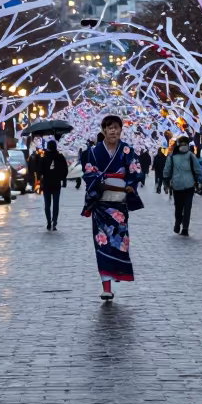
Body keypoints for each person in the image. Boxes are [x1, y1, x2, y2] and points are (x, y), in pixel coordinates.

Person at [81, 114, 144, 301]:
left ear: (121, 130)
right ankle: (106, 286)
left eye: (116, 127)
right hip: (101, 203)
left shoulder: (127, 150)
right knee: (102, 244)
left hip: (119, 203)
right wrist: (100, 179)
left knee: (119, 243)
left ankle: (116, 272)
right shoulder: (93, 152)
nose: (113, 131)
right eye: (109, 127)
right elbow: (88, 172)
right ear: (103, 130)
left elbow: (135, 172)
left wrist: (130, 184)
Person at [163, 136, 202, 235]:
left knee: (178, 206)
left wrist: (166, 182)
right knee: (187, 207)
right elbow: (198, 170)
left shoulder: (172, 157)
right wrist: (197, 178)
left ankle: (177, 222)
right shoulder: (191, 156)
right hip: (189, 185)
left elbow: (166, 172)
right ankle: (185, 228)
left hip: (177, 185)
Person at [39, 140, 69, 230]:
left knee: (47, 204)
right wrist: (63, 180)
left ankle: (48, 222)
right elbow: (65, 170)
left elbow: (40, 171)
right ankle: (54, 221)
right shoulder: (60, 157)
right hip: (56, 183)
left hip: (46, 184)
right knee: (56, 204)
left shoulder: (43, 158)